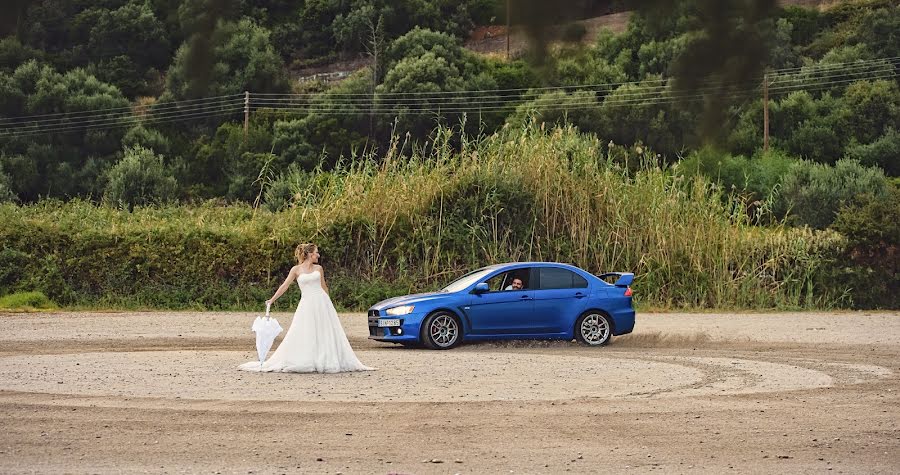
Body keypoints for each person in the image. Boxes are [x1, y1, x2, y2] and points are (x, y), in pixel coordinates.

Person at [239, 243, 374, 373]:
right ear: (309, 254)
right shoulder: (296, 270)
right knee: (304, 330)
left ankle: (325, 359)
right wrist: (272, 299)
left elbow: (323, 286)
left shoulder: (319, 269)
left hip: (322, 302)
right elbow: (284, 286)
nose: (318, 255)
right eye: (316, 252)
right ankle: (306, 358)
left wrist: (329, 304)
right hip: (307, 303)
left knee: (324, 331)